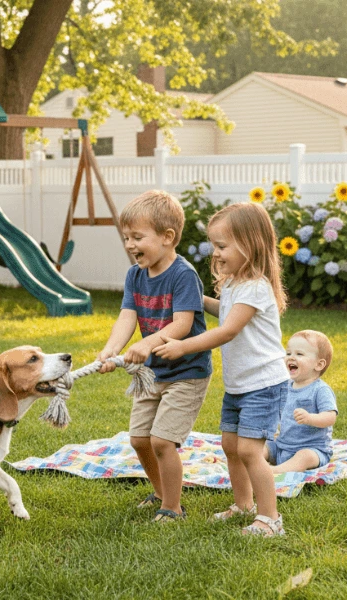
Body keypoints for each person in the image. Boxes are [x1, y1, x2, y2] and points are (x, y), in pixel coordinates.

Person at [154, 202, 289, 536]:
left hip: (265, 384)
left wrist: (182, 345)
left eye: (222, 246)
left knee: (248, 450)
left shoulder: (256, 286)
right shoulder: (232, 284)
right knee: (230, 446)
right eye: (214, 245)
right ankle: (243, 505)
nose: (215, 253)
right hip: (240, 385)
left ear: (250, 243)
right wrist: (196, 300)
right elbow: (223, 312)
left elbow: (228, 330)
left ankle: (270, 518)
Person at [97, 190, 212, 523]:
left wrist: (147, 345)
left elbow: (183, 324)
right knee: (139, 439)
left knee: (162, 441)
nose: (130, 245)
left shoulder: (183, 275)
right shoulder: (135, 275)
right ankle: (161, 491)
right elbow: (127, 316)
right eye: (126, 238)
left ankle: (173, 508)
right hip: (154, 373)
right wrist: (111, 350)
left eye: (137, 237)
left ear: (167, 237)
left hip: (187, 371)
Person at [265, 330, 337, 473]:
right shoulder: (285, 385)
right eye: (288, 353)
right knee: (260, 445)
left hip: (313, 448)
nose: (291, 358)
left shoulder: (320, 390)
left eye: (299, 354)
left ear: (318, 365)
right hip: (281, 445)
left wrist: (310, 418)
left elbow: (330, 417)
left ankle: (276, 471)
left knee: (304, 456)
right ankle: (251, 464)